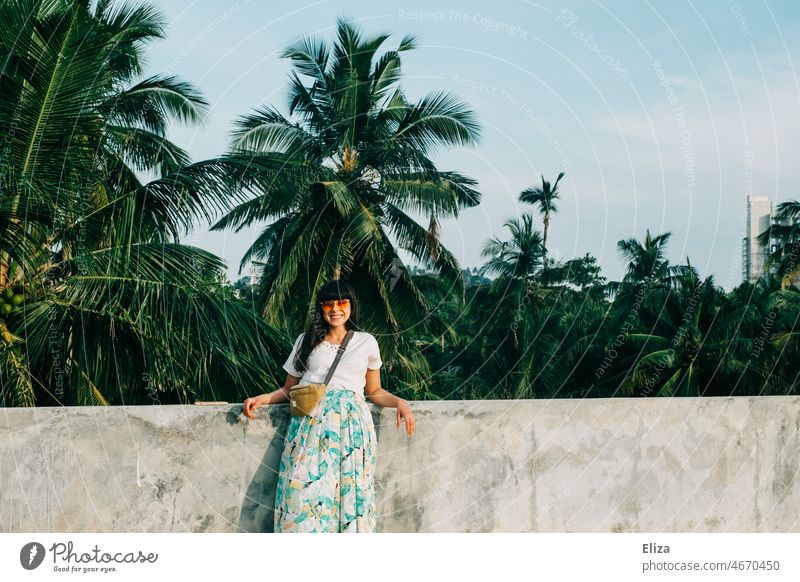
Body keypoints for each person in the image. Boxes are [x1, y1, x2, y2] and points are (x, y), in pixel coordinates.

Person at [242, 279, 415, 533]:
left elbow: (374, 391)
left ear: (351, 306)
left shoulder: (366, 342)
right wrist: (262, 398)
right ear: (321, 308)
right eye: (329, 304)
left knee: (350, 493)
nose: (336, 309)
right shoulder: (306, 340)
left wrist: (401, 402)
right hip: (310, 426)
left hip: (352, 429)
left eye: (342, 302)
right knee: (300, 494)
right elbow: (289, 389)